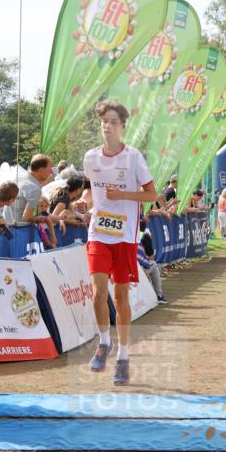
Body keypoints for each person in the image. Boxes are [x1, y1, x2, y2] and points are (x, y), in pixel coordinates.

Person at [83, 100, 158, 386]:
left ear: (123, 126)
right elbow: (92, 190)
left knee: (120, 298)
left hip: (124, 236)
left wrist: (124, 196)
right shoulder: (90, 158)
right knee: (98, 293)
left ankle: (123, 357)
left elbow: (152, 195)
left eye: (114, 121)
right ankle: (104, 342)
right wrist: (85, 201)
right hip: (98, 233)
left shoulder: (133, 157)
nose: (108, 125)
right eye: (104, 121)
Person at [137, 221, 167, 304]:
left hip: (124, 268)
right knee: (153, 264)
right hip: (137, 271)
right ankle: (159, 295)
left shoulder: (127, 235)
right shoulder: (144, 236)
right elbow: (151, 257)